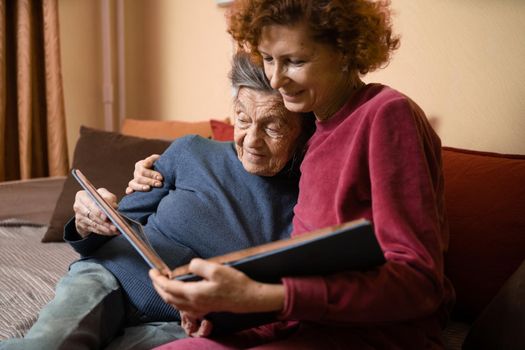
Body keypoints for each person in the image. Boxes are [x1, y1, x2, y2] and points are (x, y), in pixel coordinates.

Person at [149, 0, 455, 349]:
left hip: (377, 337)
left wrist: (262, 298)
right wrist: (224, 315)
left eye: (294, 61)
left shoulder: (386, 114)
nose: (275, 79)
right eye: (268, 58)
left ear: (345, 52)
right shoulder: (313, 134)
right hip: (309, 329)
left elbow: (420, 284)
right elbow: (302, 298)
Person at [0, 53, 315, 350]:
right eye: (243, 120)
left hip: (191, 322)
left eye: (272, 127)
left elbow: (283, 299)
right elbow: (117, 225)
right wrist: (89, 222)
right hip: (114, 278)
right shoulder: (191, 151)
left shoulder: (311, 201)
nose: (251, 139)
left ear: (303, 131)